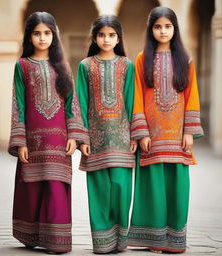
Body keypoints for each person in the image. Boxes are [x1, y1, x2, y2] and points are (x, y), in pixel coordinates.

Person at [8, 12, 88, 253]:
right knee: (32, 187)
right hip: (33, 139)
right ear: (29, 36)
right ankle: (31, 236)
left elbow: (72, 103)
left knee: (56, 185)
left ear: (54, 36)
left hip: (59, 138)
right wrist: (20, 140)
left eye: (47, 33)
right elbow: (18, 104)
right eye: (36, 33)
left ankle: (57, 241)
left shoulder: (62, 66)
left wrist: (74, 135)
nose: (42, 38)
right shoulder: (22, 66)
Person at [128, 7, 204, 253]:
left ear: (175, 29)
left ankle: (175, 239)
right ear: (151, 30)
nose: (163, 31)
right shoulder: (142, 59)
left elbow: (192, 96)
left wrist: (189, 132)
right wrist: (141, 132)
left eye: (168, 26)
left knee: (177, 187)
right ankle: (155, 240)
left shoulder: (186, 60)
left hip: (178, 137)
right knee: (153, 188)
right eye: (158, 27)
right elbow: (137, 95)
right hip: (151, 137)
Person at [75, 15, 137, 254]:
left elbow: (132, 101)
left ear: (118, 37)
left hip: (122, 139)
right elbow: (80, 103)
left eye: (112, 35)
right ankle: (101, 243)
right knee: (99, 191)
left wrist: (134, 135)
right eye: (101, 35)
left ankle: (120, 241)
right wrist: (82, 139)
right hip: (96, 141)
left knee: (121, 190)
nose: (106, 39)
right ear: (94, 37)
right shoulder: (85, 66)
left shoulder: (127, 65)